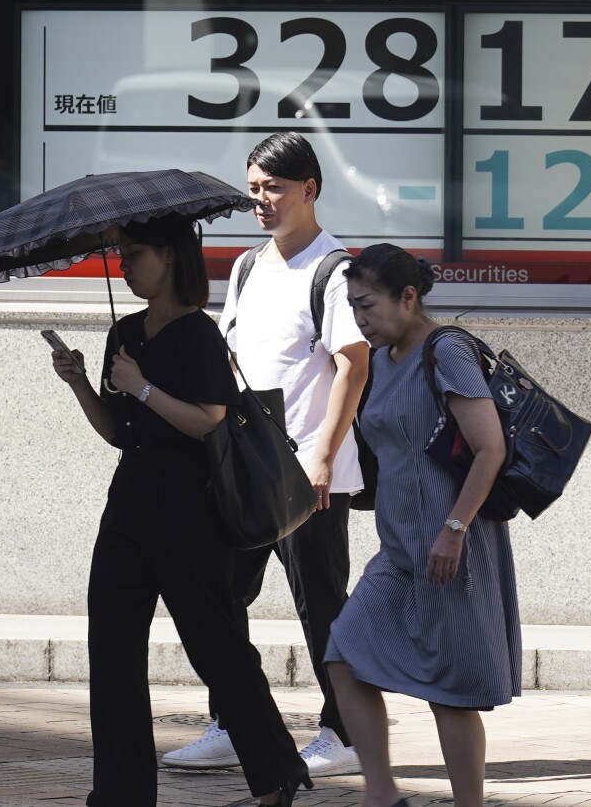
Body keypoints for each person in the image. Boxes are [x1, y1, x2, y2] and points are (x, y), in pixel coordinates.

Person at [51, 214, 310, 806]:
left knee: (214, 643)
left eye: (134, 252)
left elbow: (209, 421)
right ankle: (120, 793)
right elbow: (119, 431)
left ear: (169, 256)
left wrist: (142, 387)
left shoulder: (197, 333)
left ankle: (276, 769)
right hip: (130, 499)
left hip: (188, 503)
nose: (123, 262)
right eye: (120, 252)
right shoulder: (125, 332)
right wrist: (79, 384)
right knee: (111, 645)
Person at [166, 131, 369, 777]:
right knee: (223, 596)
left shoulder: (335, 271)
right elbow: (235, 352)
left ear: (310, 189)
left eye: (274, 187)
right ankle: (232, 720)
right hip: (250, 469)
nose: (262, 200)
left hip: (310, 473)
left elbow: (353, 367)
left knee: (322, 604)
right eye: (254, 188)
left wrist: (325, 457)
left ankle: (345, 733)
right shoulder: (251, 266)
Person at [328, 244, 522, 807]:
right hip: (399, 550)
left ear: (408, 297)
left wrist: (454, 529)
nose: (361, 319)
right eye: (353, 308)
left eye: (368, 305)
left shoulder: (448, 351)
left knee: (451, 692)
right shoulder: (382, 360)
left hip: (453, 544)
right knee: (344, 654)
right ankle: (383, 794)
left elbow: (491, 449)